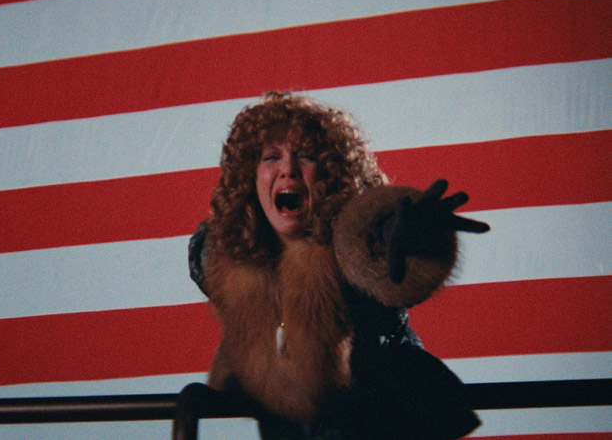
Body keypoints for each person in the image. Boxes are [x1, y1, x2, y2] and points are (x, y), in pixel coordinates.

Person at [188, 92, 489, 439]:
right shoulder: (227, 253)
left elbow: (375, 237)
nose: (287, 169)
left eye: (306, 156)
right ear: (250, 177)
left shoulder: (355, 233)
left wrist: (408, 235)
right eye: (271, 157)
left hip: (390, 421)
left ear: (330, 174)